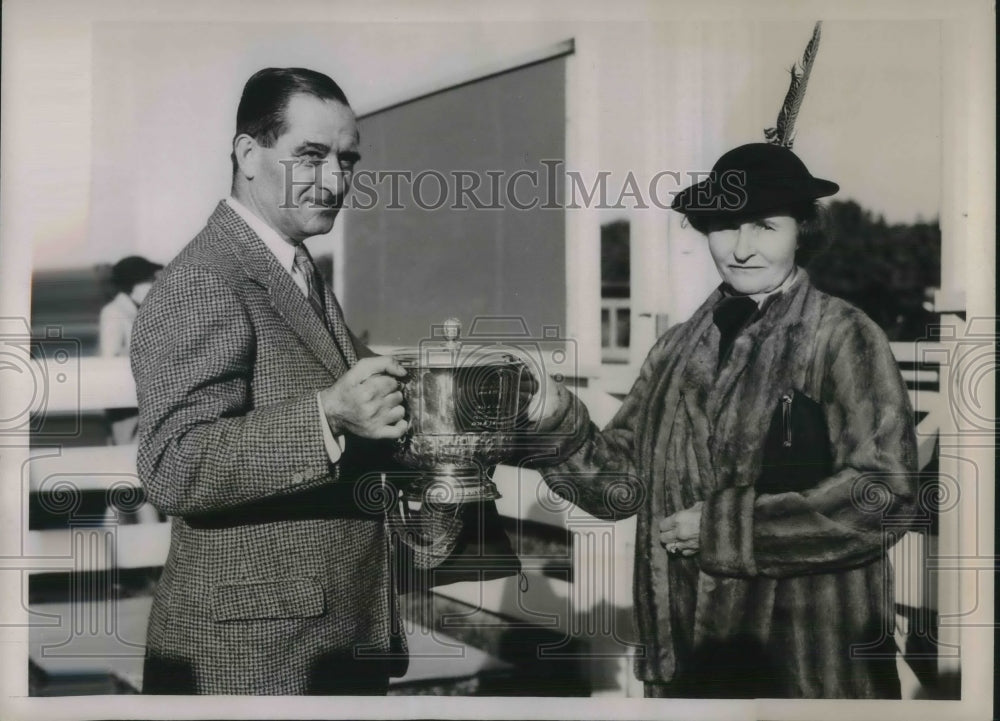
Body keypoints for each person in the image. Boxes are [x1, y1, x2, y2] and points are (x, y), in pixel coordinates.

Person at [527, 143, 918, 698]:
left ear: (801, 231)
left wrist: (722, 529)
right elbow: (619, 486)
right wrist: (554, 423)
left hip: (806, 668)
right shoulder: (675, 348)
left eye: (763, 225)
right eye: (724, 226)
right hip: (688, 663)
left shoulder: (843, 336)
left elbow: (884, 495)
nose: (740, 249)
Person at [130, 67, 410, 695]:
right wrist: (326, 417)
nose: (336, 180)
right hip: (253, 662)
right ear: (248, 155)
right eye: (310, 156)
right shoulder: (206, 278)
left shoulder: (290, 268)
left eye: (348, 159)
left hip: (322, 642)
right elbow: (172, 464)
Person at [99, 256, 162, 449]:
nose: (155, 284)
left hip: (142, 402)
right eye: (150, 280)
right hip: (124, 404)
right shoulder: (114, 313)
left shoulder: (140, 311)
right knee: (125, 455)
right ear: (133, 284)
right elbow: (109, 358)